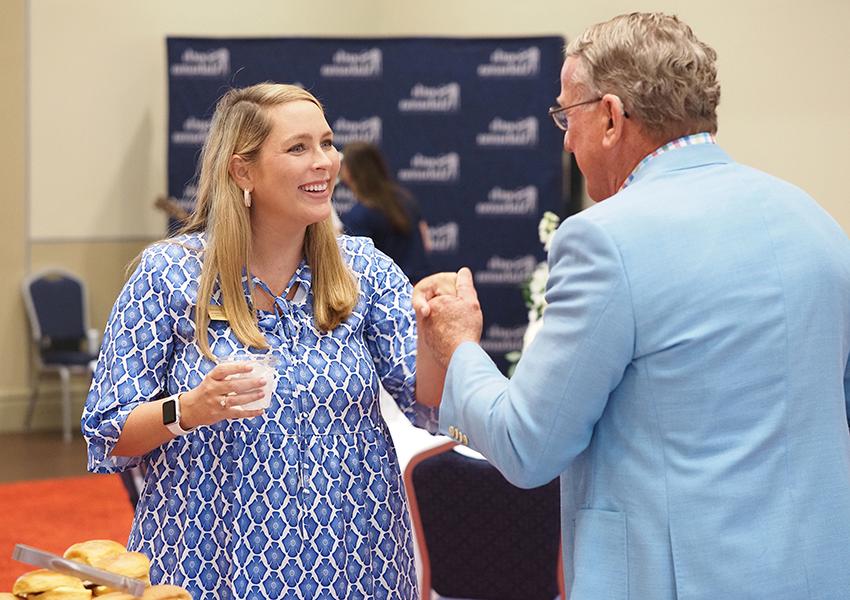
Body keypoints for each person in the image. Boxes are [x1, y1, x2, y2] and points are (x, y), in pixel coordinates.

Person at [414, 12, 850, 600]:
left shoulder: (605, 240)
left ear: (613, 117)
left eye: (567, 116)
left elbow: (526, 446)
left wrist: (460, 345)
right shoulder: (814, 221)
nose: (565, 139)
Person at [82, 83, 441, 599]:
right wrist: (188, 409)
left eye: (327, 143)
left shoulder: (364, 269)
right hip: (207, 560)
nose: (324, 162)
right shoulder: (169, 275)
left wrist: (441, 340)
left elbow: (426, 400)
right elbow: (107, 432)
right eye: (298, 148)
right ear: (242, 170)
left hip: (358, 560)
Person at [339, 142, 432, 284]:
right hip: (421, 289)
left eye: (343, 165)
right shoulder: (406, 200)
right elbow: (427, 243)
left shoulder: (359, 215)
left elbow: (356, 267)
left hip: (390, 296)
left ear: (350, 171)